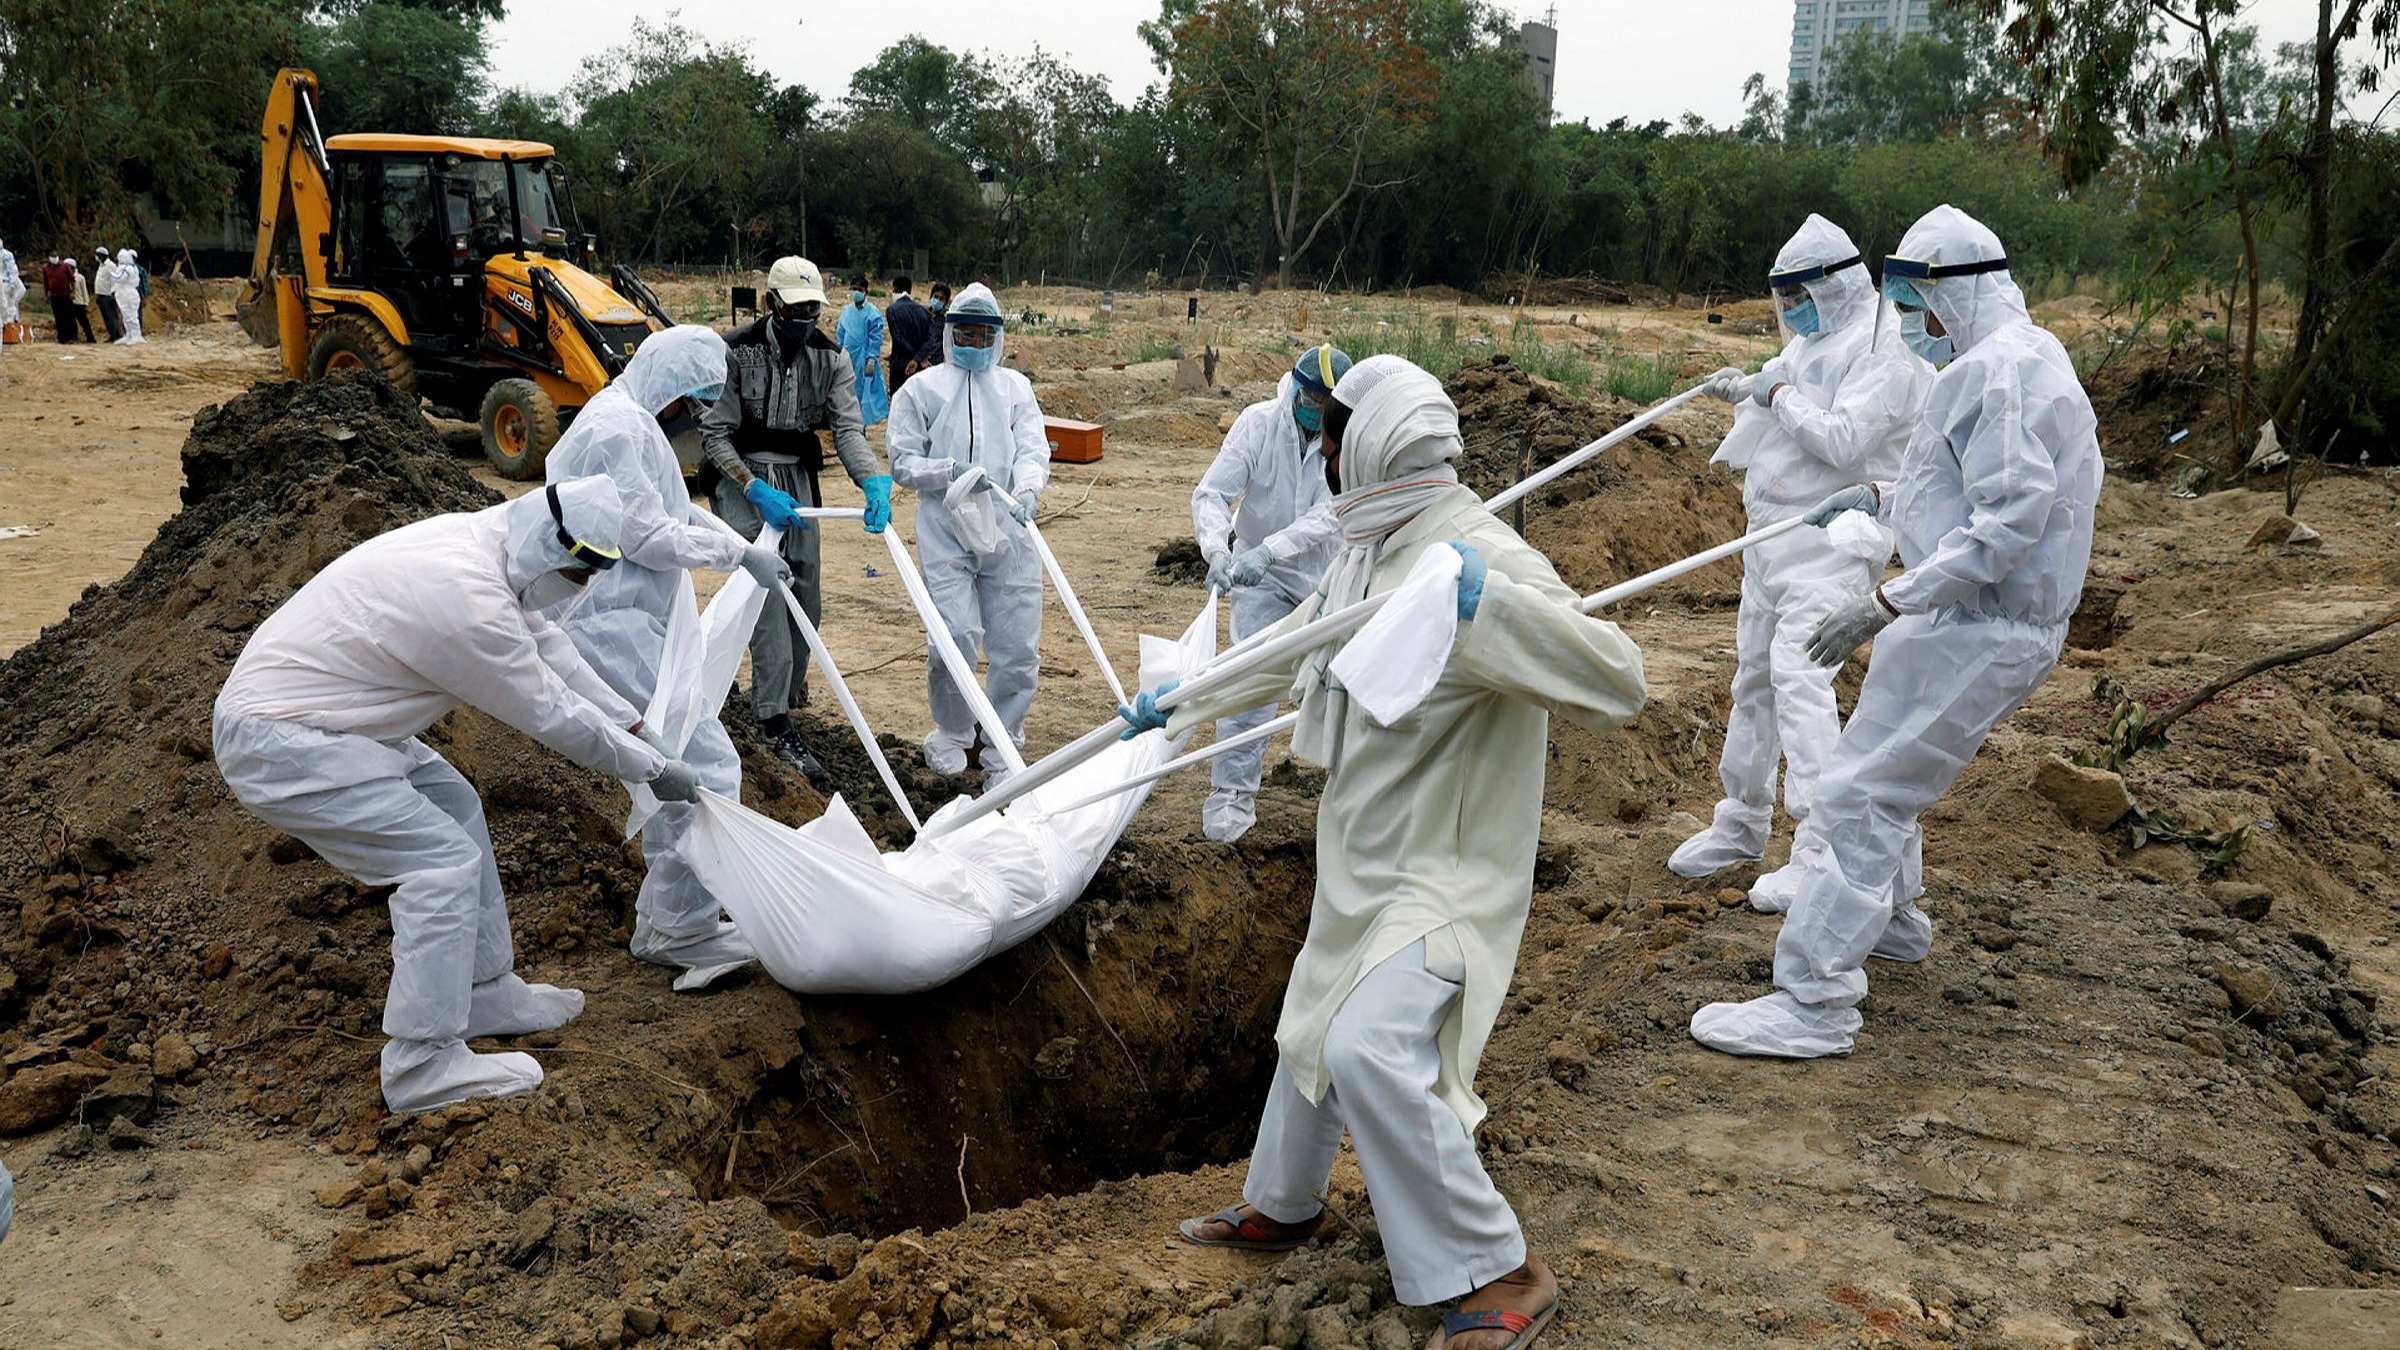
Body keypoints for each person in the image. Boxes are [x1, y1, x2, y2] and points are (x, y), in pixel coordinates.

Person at [1125, 356, 1646, 1350]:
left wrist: (1490, 605)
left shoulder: (1472, 556)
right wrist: (1178, 704)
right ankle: (1283, 1204)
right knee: (1312, 1016)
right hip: (1367, 846)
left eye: (1330, 437)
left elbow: (1620, 679)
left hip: (1443, 870)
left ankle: (1502, 1270)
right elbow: (1292, 651)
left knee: (1369, 1046)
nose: (1317, 453)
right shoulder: (1371, 546)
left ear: (1370, 444)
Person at [1691, 204, 2103, 1060]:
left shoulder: (2006, 372)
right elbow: (1959, 491)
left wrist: (1883, 603)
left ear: (1962, 292)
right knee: (1877, 777)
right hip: (1955, 616)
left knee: (1857, 795)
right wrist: (1878, 502)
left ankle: (1815, 1001)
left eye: (1918, 305)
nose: (1910, 323)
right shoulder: (1999, 361)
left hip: (1979, 624)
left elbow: (2004, 531)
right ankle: (1897, 923)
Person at [213, 476, 712, 1113]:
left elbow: (551, 649)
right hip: (283, 739)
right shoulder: (466, 600)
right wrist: (648, 766)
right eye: (578, 571)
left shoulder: (494, 547)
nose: (580, 586)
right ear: (549, 546)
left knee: (455, 805)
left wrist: (639, 729)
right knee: (437, 861)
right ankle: (421, 1062)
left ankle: (483, 990)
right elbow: (548, 710)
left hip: (337, 724)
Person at [1670, 214, 1931, 908]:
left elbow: (1843, 439)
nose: (1790, 310)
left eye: (1799, 295)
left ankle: (1821, 843)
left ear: (1836, 284)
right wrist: (1752, 382)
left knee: (1800, 676)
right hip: (1771, 543)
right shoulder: (1812, 341)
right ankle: (1743, 819)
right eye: (1782, 297)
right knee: (1753, 679)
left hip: (1832, 545)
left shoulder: (1883, 348)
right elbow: (1785, 380)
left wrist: (1775, 394)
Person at [547, 325, 795, 988]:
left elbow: (662, 508)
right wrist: (739, 554)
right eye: (693, 397)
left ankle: (673, 918)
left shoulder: (627, 422)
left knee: (680, 765)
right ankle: (677, 928)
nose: (694, 411)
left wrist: (721, 534)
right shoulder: (618, 430)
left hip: (625, 623)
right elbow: (649, 535)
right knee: (702, 767)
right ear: (668, 383)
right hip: (609, 626)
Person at [701, 255, 893, 783]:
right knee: (768, 586)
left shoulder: (830, 359)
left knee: (805, 592)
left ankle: (787, 688)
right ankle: (773, 720)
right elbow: (714, 435)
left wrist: (871, 480)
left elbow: (848, 430)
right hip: (744, 479)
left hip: (797, 480)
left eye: (814, 310)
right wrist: (751, 486)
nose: (806, 319)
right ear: (771, 304)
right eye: (796, 309)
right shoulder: (737, 352)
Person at [886, 282, 1051, 784]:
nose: (977, 343)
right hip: (946, 527)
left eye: (986, 335)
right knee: (954, 636)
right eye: (967, 334)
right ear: (951, 333)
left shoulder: (1015, 389)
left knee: (1017, 643)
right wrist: (947, 471)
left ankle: (1004, 742)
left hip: (1007, 527)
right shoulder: (922, 389)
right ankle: (953, 733)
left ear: (998, 338)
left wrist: (1027, 489)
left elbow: (1032, 447)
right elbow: (902, 461)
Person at [1187, 342, 1349, 841]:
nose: (1313, 411)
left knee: (1346, 683)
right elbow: (1213, 493)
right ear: (1295, 389)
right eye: (1309, 398)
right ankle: (1232, 793)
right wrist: (1217, 548)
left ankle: (1352, 795)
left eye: (1325, 405)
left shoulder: (1348, 438)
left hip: (1327, 578)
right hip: (1261, 580)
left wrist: (1270, 549)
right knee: (1250, 680)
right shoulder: (1258, 425)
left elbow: (1330, 515)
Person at [835, 278, 890, 426]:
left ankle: (861, 427)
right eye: (853, 288)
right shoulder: (846, 312)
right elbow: (840, 333)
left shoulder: (872, 313)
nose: (856, 292)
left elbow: (876, 337)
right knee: (846, 394)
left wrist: (872, 358)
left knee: (863, 396)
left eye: (859, 289)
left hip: (864, 359)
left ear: (866, 291)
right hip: (847, 357)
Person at [884, 274, 937, 396]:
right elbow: (930, 340)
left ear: (896, 290)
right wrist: (918, 359)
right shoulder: (925, 312)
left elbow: (898, 339)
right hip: (918, 367)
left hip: (900, 366)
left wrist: (914, 358)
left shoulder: (892, 310)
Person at [112, 249, 145, 344]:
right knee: (126, 316)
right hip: (123, 294)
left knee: (131, 316)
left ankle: (136, 335)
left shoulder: (127, 268)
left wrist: (111, 274)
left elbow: (120, 278)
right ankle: (129, 334)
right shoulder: (126, 267)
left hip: (128, 294)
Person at [90, 247, 122, 341]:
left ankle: (117, 335)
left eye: (98, 255)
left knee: (111, 316)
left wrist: (113, 293)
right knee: (106, 317)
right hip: (101, 295)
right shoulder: (101, 265)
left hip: (108, 295)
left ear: (103, 256)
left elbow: (114, 280)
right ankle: (112, 335)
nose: (96, 257)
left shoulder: (110, 265)